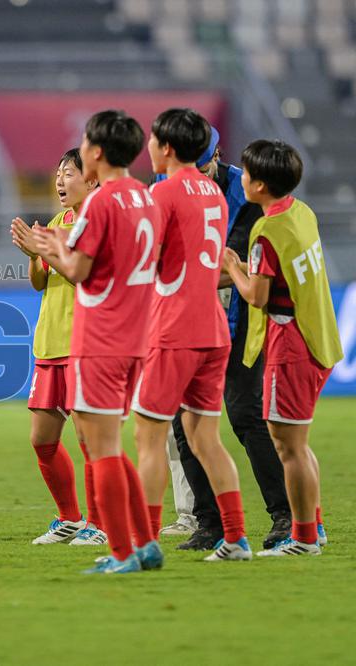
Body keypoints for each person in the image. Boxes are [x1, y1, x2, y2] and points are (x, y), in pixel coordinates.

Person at [29, 110, 161, 574]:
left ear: (98, 152)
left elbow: (78, 271)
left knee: (100, 448)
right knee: (107, 444)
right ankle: (144, 541)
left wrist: (51, 249)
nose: (78, 152)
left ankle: (123, 552)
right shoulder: (145, 198)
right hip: (136, 335)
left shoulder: (102, 203)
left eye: (83, 145)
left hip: (101, 335)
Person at [131, 108, 251, 562]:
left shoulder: (162, 194)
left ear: (165, 147)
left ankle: (143, 547)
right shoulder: (215, 194)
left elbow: (148, 262)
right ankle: (235, 538)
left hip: (174, 326)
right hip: (213, 328)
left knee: (148, 435)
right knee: (205, 436)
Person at [166, 135, 293, 552]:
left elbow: (237, 264)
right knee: (183, 424)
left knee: (244, 415)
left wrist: (183, 274)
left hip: (238, 321)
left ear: (216, 158)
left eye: (201, 169)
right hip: (189, 322)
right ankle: (209, 523)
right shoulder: (167, 185)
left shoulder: (248, 192)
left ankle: (284, 515)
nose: (194, 178)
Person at [222, 139, 342, 556]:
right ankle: (315, 526)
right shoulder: (301, 213)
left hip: (290, 345)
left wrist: (232, 267)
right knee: (298, 444)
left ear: (257, 184)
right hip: (318, 337)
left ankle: (304, 538)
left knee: (287, 446)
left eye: (247, 172)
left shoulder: (266, 230)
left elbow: (256, 295)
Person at [10, 148, 106, 547]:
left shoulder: (97, 220)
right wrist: (34, 256)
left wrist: (46, 248)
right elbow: (40, 281)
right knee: (42, 440)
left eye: (69, 173)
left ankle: (99, 526)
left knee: (91, 441)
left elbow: (85, 274)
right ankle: (70, 517)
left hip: (85, 343)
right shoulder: (57, 221)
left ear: (93, 179)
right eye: (58, 173)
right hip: (50, 343)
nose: (60, 181)